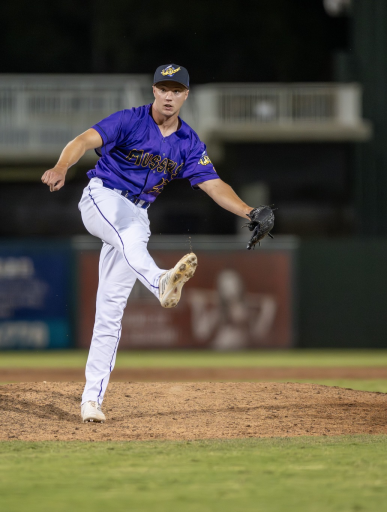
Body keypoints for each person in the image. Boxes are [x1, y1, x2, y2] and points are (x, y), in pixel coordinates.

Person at [42, 64, 257, 423]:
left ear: (186, 95)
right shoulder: (130, 120)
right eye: (163, 88)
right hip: (103, 197)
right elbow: (82, 140)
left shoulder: (189, 142)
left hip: (138, 216)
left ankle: (91, 401)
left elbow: (213, 185)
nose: (169, 95)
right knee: (129, 239)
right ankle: (159, 280)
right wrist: (63, 166)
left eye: (177, 90)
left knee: (110, 311)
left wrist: (250, 212)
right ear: (154, 91)